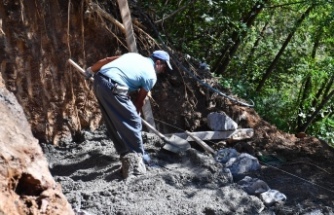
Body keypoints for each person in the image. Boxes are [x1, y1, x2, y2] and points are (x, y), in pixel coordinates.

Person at [84, 50, 172, 179]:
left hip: (99, 82)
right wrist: (134, 113)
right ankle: (137, 162)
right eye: (164, 67)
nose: (163, 70)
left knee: (112, 121)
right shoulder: (151, 76)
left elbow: (108, 59)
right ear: (158, 62)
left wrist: (90, 70)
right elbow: (140, 101)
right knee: (134, 123)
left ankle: (126, 155)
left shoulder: (133, 56)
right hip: (114, 87)